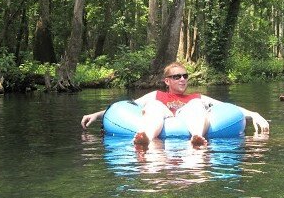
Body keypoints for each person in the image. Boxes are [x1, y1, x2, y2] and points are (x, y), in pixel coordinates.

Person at [81, 62, 269, 148]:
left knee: (195, 105)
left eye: (185, 76)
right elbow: (128, 106)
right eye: (177, 76)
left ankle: (197, 136)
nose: (182, 79)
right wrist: (97, 115)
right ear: (167, 81)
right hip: (163, 117)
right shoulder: (157, 95)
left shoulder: (196, 96)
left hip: (189, 118)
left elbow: (228, 107)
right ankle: (145, 138)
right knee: (154, 106)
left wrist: (253, 113)